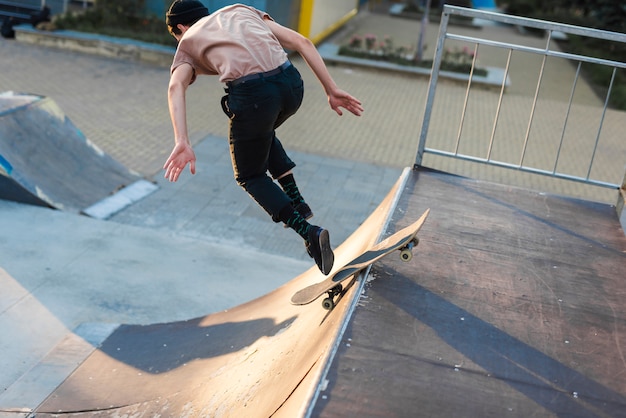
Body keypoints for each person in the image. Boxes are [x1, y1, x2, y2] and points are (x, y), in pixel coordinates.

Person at [163, 0, 363, 275]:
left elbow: (176, 86)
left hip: (255, 98)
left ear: (181, 28)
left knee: (249, 175)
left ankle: (309, 232)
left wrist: (181, 140)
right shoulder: (241, 10)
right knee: (258, 134)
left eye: (176, 37)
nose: (178, 43)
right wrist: (332, 89)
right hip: (292, 86)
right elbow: (302, 42)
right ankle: (297, 201)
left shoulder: (188, 40)